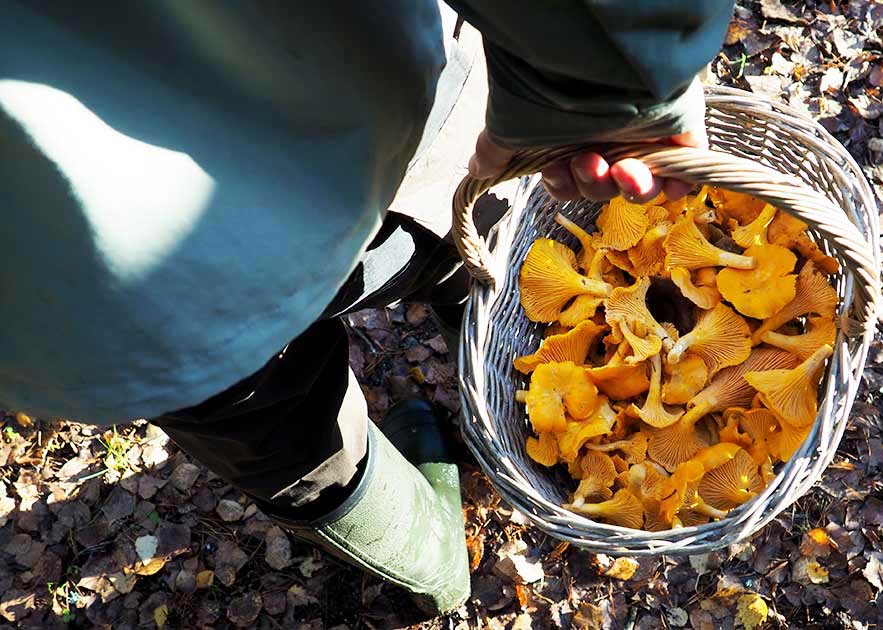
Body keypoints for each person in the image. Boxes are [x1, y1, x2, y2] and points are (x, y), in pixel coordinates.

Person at [0, 1, 734, 614]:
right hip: (340, 90)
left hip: (78, 291)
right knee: (459, 241)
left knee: (283, 431)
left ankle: (444, 552)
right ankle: (450, 544)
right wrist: (613, 89)